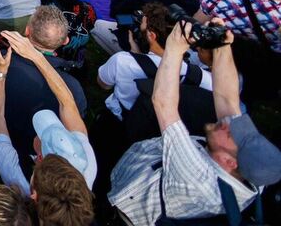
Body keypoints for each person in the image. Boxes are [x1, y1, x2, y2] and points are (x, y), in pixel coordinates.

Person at [107, 21, 280, 224]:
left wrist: (174, 48)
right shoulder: (252, 172)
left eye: (232, 133)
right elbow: (227, 99)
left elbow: (164, 104)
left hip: (128, 207)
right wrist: (222, 46)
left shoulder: (198, 179)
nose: (228, 124)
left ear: (229, 162)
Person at [0, 32, 97, 197]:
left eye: (43, 134)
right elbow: (68, 104)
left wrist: (0, 71)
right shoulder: (87, 166)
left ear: (40, 158)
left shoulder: (17, 179)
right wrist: (37, 57)